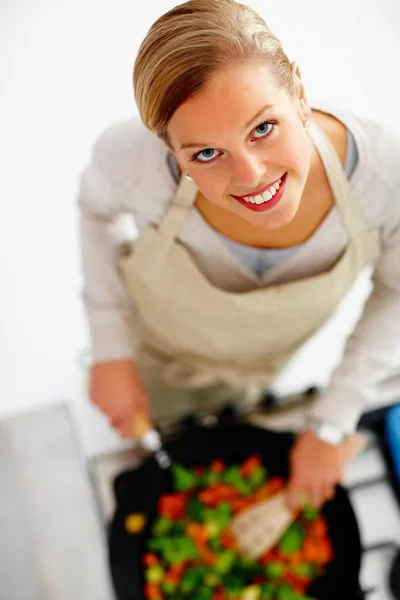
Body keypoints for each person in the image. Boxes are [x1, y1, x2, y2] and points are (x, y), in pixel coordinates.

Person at [78, 0, 400, 509]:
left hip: (262, 372)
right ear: (166, 146)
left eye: (263, 128)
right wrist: (110, 349)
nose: (251, 176)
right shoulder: (131, 161)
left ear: (297, 90)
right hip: (152, 361)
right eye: (205, 153)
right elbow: (96, 212)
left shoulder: (389, 172)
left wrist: (334, 418)